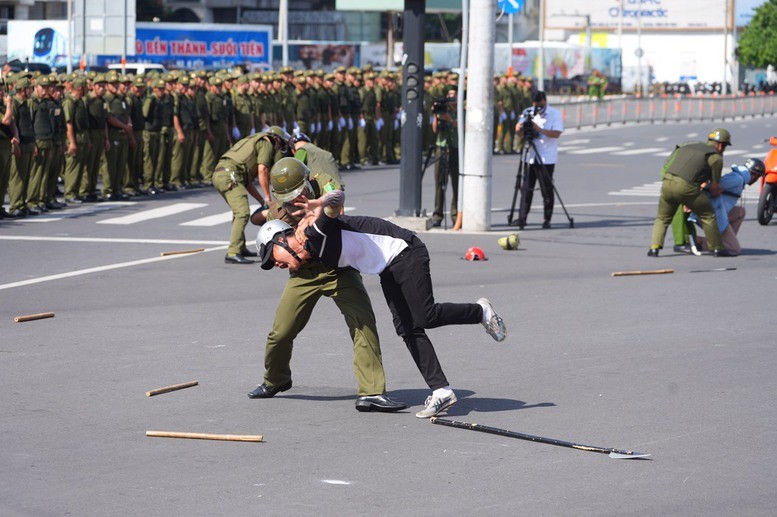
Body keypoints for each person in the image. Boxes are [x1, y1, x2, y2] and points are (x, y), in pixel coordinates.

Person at [256, 182, 508, 419]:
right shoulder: (310, 248)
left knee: (425, 316)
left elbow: (338, 199)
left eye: (272, 256)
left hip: (406, 251)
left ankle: (481, 311)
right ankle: (441, 391)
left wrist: (320, 203)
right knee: (407, 329)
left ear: (281, 238)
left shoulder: (314, 233)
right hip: (387, 267)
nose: (275, 264)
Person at [248, 157, 406, 414]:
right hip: (304, 274)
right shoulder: (279, 211)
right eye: (288, 197)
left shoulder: (324, 184)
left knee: (363, 323)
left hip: (337, 268)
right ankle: (275, 380)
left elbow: (337, 201)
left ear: (307, 182)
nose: (294, 201)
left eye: (298, 193)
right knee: (281, 333)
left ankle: (372, 392)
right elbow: (281, 244)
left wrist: (318, 210)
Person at [648, 128, 735, 257]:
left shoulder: (688, 146)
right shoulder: (715, 158)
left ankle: (654, 248)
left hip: (667, 182)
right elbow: (714, 188)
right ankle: (717, 248)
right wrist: (717, 190)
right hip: (686, 187)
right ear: (721, 145)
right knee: (708, 215)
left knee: (662, 217)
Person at [213, 126, 290, 264]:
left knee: (238, 212)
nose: (279, 148)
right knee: (242, 212)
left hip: (223, 173)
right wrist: (268, 196)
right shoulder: (267, 142)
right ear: (276, 139)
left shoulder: (256, 142)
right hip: (229, 175)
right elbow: (263, 170)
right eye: (281, 144)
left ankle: (240, 247)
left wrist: (261, 201)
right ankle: (233, 251)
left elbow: (248, 183)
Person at [692, 158, 765, 256]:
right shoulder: (737, 180)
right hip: (712, 214)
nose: (756, 180)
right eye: (758, 177)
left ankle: (725, 241)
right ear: (754, 175)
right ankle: (700, 241)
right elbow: (711, 187)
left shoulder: (740, 178)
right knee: (735, 249)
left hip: (717, 211)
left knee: (740, 212)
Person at [514, 91, 564, 229]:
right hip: (530, 156)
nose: (537, 108)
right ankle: (522, 218)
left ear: (545, 101)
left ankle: (547, 218)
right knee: (526, 189)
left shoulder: (554, 114)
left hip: (546, 157)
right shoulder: (527, 112)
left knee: (546, 189)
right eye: (535, 105)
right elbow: (519, 132)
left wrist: (540, 130)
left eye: (540, 105)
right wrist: (519, 129)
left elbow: (556, 134)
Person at [431, 86, 459, 228]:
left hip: (455, 148)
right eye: (449, 94)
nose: (451, 97)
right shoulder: (442, 110)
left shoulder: (461, 110)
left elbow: (461, 126)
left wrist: (449, 119)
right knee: (439, 183)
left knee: (456, 183)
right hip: (441, 147)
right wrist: (436, 115)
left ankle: (455, 215)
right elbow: (435, 130)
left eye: (454, 94)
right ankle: (437, 215)